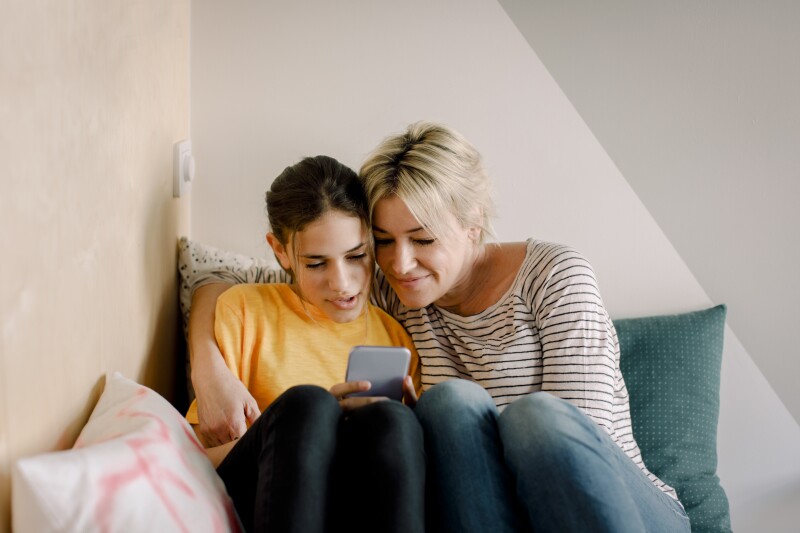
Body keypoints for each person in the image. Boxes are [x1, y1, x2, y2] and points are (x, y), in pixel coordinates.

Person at [189, 125, 691, 532]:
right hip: (494, 512)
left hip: (618, 505)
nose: (402, 262)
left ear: (473, 225)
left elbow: (579, 447)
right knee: (450, 403)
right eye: (382, 242)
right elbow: (221, 279)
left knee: (532, 417)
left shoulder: (554, 277)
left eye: (423, 239)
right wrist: (209, 370)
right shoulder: (386, 288)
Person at [186, 155, 425, 533]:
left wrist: (412, 421)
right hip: (261, 494)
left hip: (353, 505)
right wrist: (307, 430)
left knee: (393, 421)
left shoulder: (396, 339)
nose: (343, 283)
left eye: (357, 256)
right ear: (280, 251)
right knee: (309, 404)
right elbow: (196, 460)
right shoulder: (243, 310)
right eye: (316, 264)